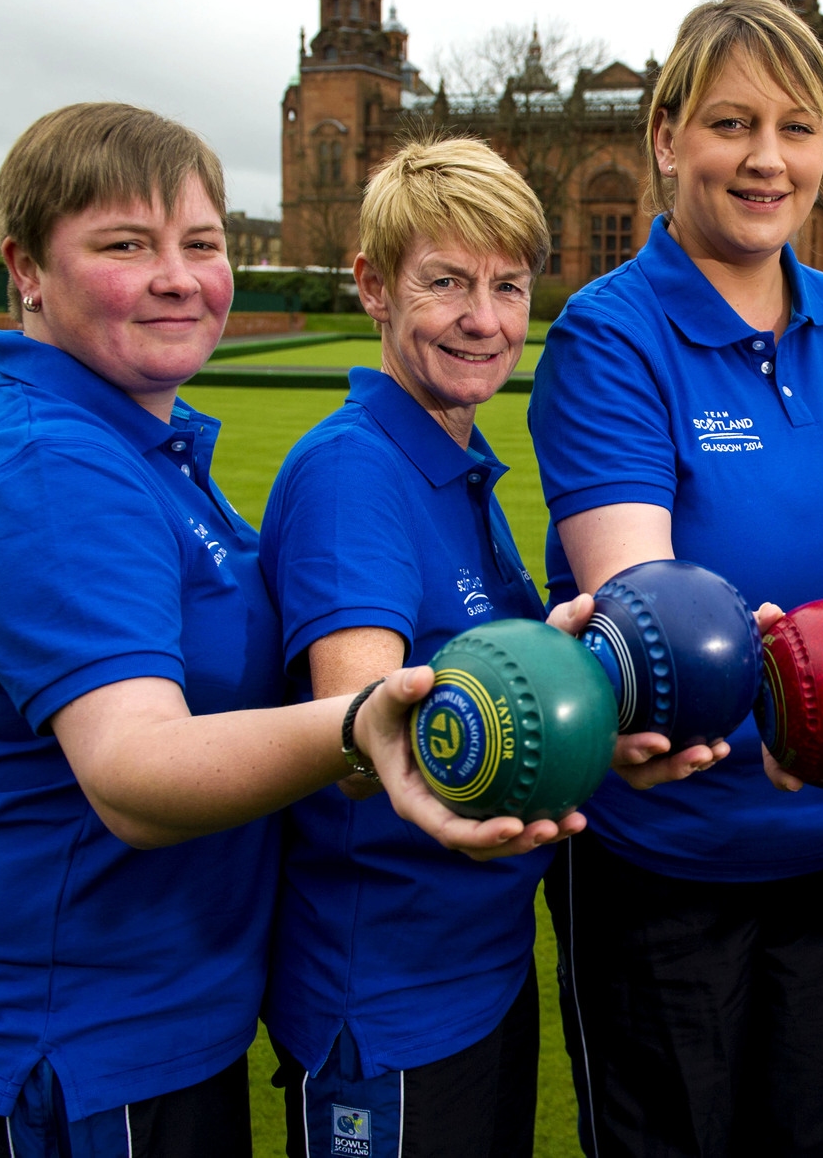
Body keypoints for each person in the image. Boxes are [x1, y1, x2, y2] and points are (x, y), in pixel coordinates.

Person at [0, 103, 470, 1158]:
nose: (179, 276)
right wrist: (360, 726)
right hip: (69, 1045)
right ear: (27, 266)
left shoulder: (135, 441)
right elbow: (135, 769)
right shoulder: (50, 468)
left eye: (200, 243)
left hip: (164, 1019)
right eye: (125, 245)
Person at [526, 0, 823, 1158]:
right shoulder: (611, 333)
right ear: (666, 137)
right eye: (731, 123)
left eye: (797, 128)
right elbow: (650, 621)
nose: (767, 159)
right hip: (671, 857)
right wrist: (784, 704)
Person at [259, 138, 591, 1158]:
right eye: (445, 281)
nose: (484, 318)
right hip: (385, 992)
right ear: (373, 285)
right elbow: (365, 725)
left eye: (506, 284)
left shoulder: (453, 455)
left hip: (480, 966)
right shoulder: (355, 471)